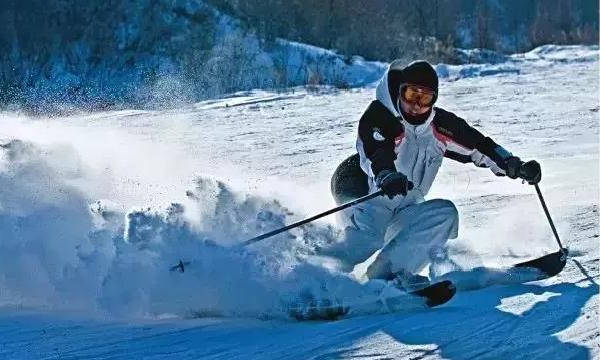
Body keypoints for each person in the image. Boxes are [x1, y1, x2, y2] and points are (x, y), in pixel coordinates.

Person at [325, 60, 541, 291]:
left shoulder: (441, 127)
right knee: (366, 240)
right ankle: (311, 281)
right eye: (410, 94)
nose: (416, 105)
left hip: (407, 204)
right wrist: (386, 175)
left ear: (434, 99)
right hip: (363, 192)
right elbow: (376, 152)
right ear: (400, 91)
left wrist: (513, 165)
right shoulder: (381, 116)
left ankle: (387, 276)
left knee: (444, 214)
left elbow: (481, 146)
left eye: (425, 98)